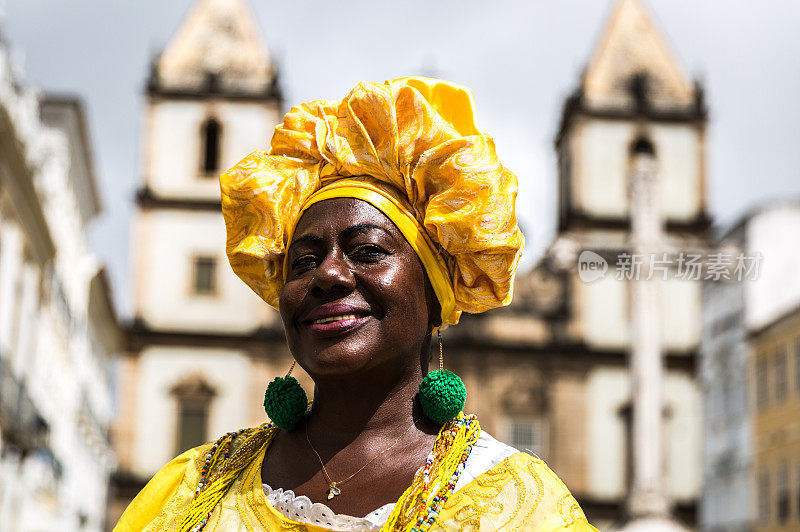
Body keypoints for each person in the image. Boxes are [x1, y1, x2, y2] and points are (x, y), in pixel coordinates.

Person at [114, 77, 598, 532]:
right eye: (302, 261)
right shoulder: (193, 487)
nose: (327, 274)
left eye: (367, 251)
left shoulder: (519, 506)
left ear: (435, 291)